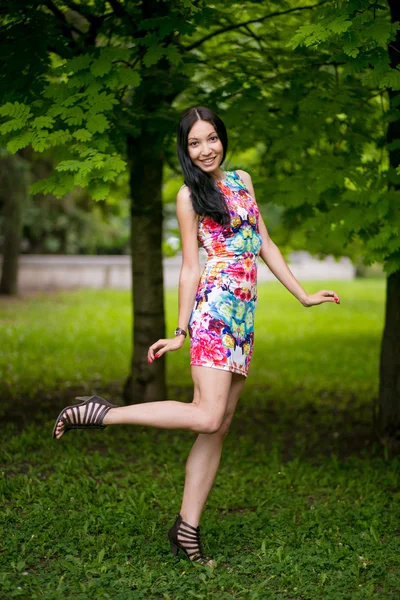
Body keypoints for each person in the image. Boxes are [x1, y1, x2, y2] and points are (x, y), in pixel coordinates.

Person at [52, 106, 340, 568]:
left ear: (222, 139)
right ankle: (102, 414)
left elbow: (264, 243)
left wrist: (303, 295)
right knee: (206, 417)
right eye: (194, 143)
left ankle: (186, 531)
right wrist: (181, 329)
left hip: (243, 319)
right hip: (215, 314)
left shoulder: (242, 180)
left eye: (211, 139)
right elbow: (190, 267)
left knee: (219, 427)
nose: (206, 149)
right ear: (185, 150)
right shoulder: (190, 196)